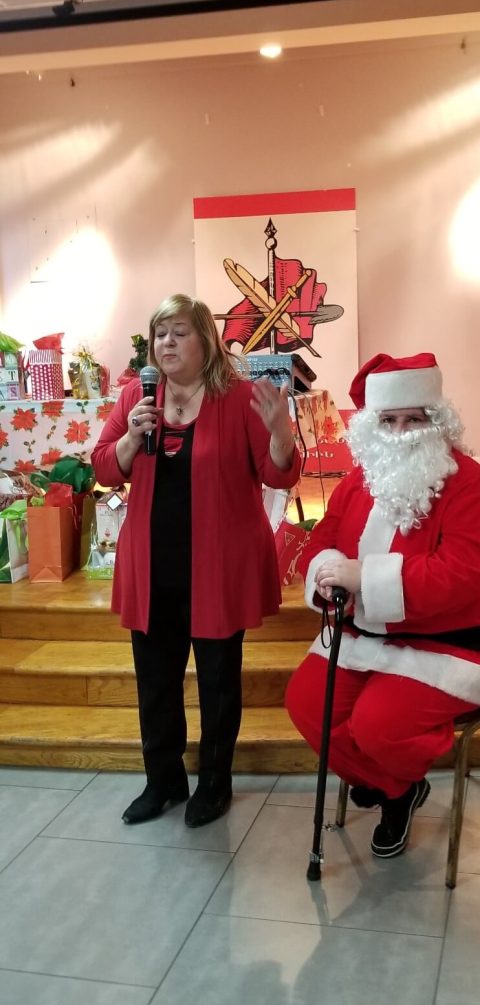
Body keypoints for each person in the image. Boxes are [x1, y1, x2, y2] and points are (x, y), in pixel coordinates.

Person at [285, 352, 480, 859]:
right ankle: (399, 786)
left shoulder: (470, 484)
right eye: (388, 421)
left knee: (379, 725)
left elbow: (460, 574)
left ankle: (393, 793)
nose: (399, 433)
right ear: (372, 427)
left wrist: (365, 579)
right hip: (374, 631)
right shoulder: (360, 479)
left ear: (436, 421)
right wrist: (327, 570)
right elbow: (324, 536)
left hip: (461, 639)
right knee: (307, 704)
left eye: (413, 419)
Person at [92, 294, 300, 827]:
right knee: (155, 682)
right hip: (152, 565)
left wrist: (281, 433)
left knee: (217, 682)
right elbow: (105, 468)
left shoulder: (239, 398)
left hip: (218, 566)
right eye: (160, 333)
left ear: (206, 340)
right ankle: (163, 782)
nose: (167, 342)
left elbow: (277, 473)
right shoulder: (135, 397)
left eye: (180, 332)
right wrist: (130, 438)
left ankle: (214, 784)